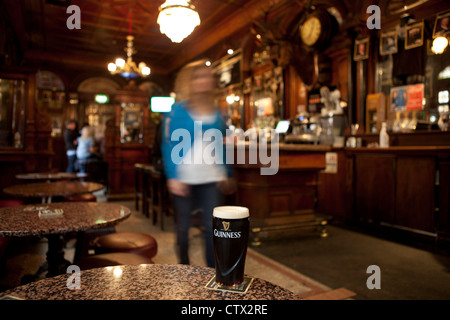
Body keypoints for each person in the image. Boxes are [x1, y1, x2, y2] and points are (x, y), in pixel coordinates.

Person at [161, 60, 235, 268]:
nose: (204, 81)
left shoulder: (218, 112)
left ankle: (213, 274)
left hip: (212, 178)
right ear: (190, 82)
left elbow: (222, 145)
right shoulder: (177, 111)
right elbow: (168, 144)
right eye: (198, 76)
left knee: (213, 229)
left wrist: (227, 172)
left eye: (207, 76)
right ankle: (184, 270)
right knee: (183, 230)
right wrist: (172, 176)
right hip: (184, 177)